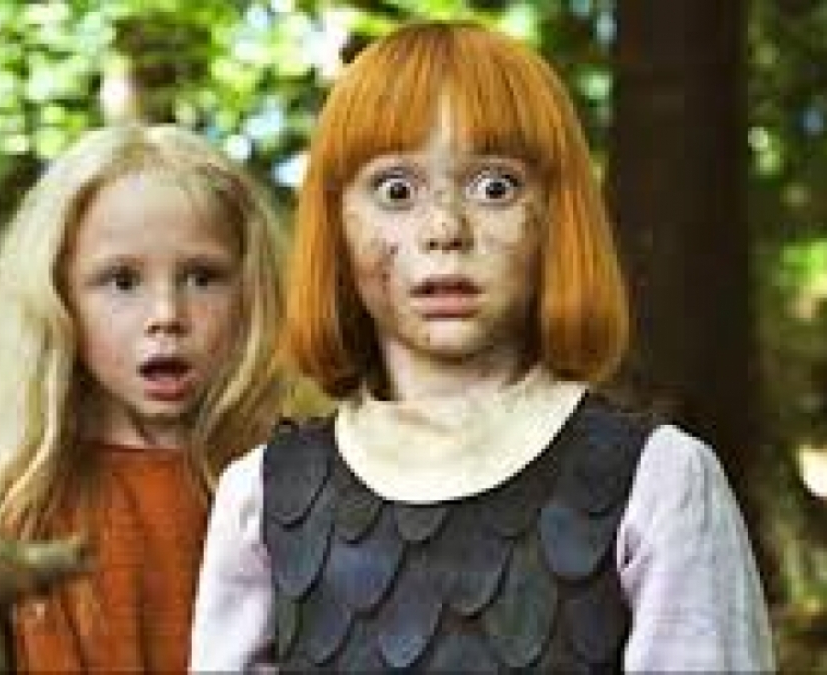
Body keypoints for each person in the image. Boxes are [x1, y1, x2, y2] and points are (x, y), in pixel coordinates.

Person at [190, 21, 774, 672]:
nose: (445, 228)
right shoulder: (262, 498)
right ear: (337, 223)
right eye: (396, 190)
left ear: (556, 216)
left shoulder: (660, 481)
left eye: (495, 187)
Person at [0, 124, 286, 672]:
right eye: (122, 281)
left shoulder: (287, 475)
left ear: (251, 292)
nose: (167, 316)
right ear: (58, 298)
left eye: (202, 277)